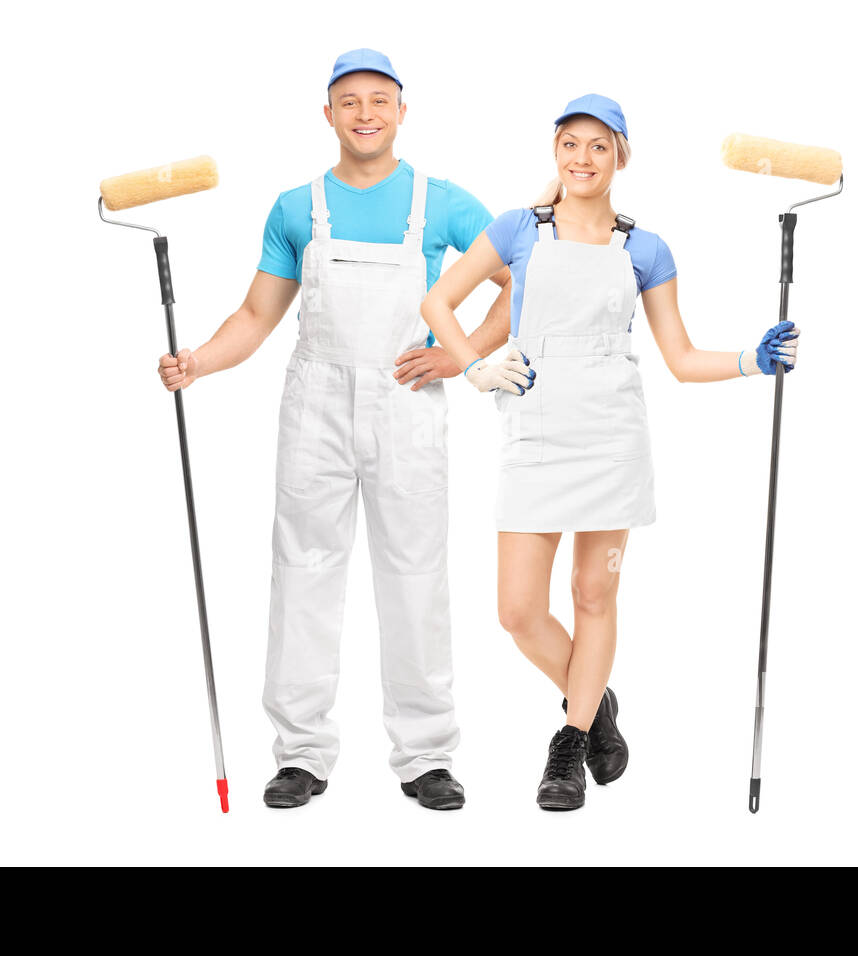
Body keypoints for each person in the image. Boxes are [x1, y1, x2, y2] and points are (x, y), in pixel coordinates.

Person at [158, 49, 531, 811]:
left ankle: (426, 755)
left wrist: (458, 354)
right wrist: (197, 360)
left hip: (407, 402)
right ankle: (300, 754)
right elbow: (258, 315)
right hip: (316, 404)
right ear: (327, 114)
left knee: (415, 575)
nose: (366, 114)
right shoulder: (296, 208)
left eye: (380, 101)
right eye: (350, 102)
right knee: (303, 570)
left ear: (402, 111)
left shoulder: (444, 201)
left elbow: (520, 276)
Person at [420, 94, 800, 810]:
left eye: (599, 146)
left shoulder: (645, 248)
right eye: (570, 143)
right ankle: (596, 700)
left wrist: (754, 359)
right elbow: (438, 302)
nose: (582, 158)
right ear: (555, 151)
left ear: (620, 156)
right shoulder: (517, 230)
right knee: (517, 613)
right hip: (535, 438)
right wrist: (473, 364)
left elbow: (681, 358)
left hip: (610, 441)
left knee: (594, 596)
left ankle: (568, 743)